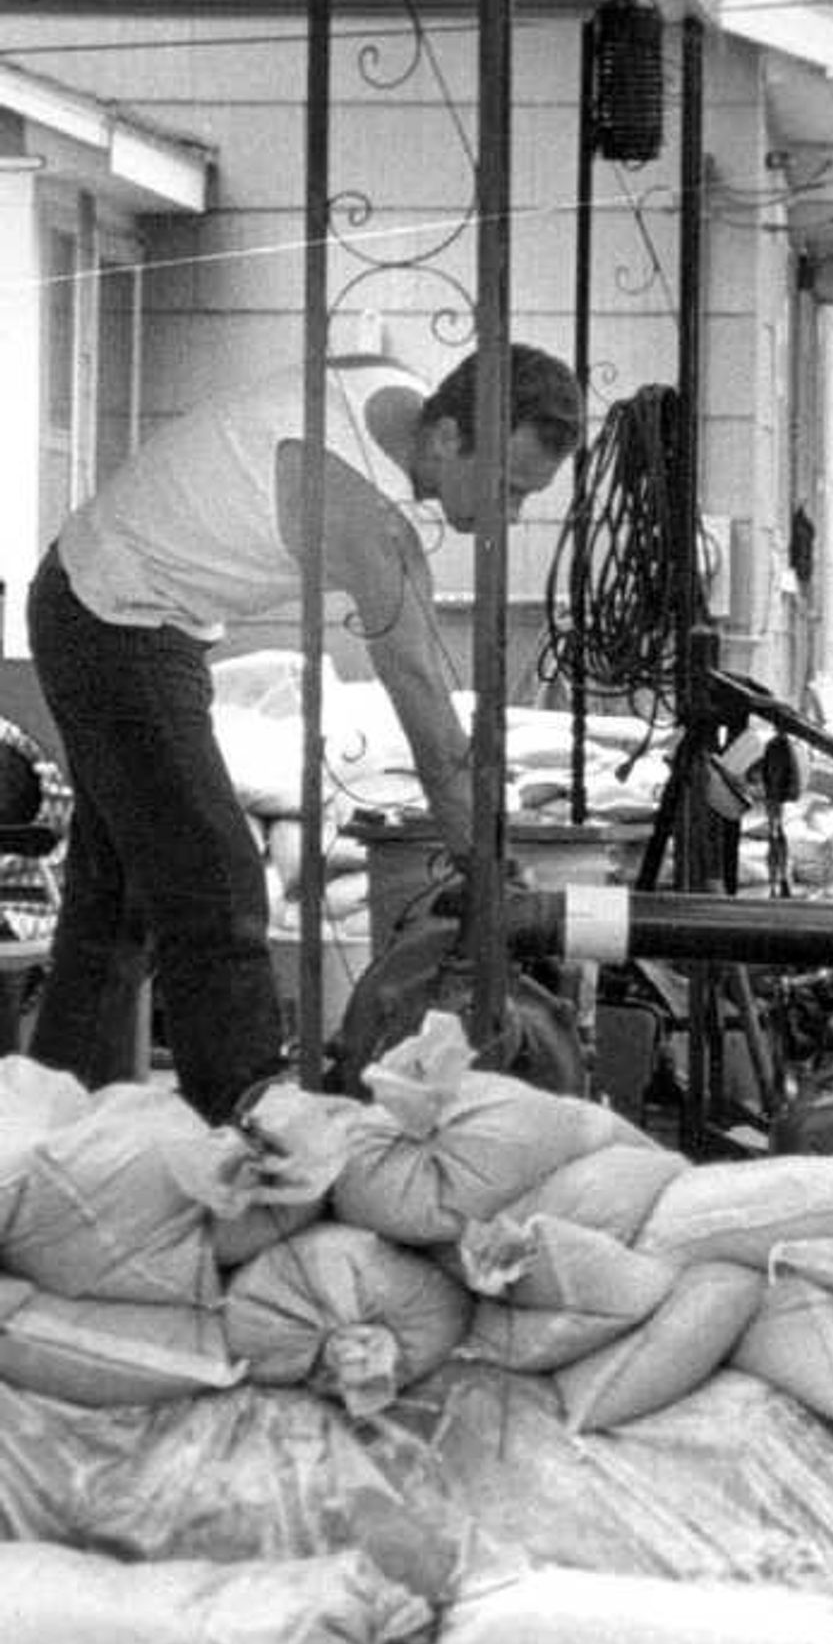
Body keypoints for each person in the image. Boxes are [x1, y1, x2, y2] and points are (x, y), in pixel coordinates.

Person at [22, 341, 590, 1120]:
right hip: (111, 615)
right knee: (217, 886)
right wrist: (483, 867)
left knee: (119, 897)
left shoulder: (396, 396)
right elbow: (425, 707)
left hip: (134, 608)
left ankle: (49, 1132)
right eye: (507, 487)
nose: (511, 514)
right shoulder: (363, 514)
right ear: (448, 437)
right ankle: (257, 1132)